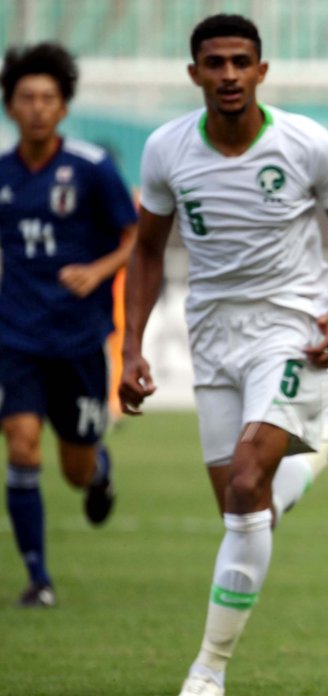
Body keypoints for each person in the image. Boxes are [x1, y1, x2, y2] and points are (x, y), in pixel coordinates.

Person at [119, 14, 328, 696]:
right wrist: (130, 347)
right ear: (194, 73)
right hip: (211, 336)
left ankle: (208, 667)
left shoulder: (305, 143)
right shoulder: (166, 150)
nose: (229, 74)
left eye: (242, 61)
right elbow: (146, 250)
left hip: (291, 330)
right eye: (215, 62)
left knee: (245, 483)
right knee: (245, 510)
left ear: (262, 71)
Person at [0, 43, 138, 607]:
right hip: (16, 339)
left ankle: (99, 468)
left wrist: (98, 271)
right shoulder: (2, 175)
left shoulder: (92, 168)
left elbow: (135, 239)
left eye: (47, 98)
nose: (36, 107)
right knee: (23, 446)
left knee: (76, 470)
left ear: (63, 107)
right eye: (26, 97)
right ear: (11, 106)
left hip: (79, 341)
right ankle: (38, 578)